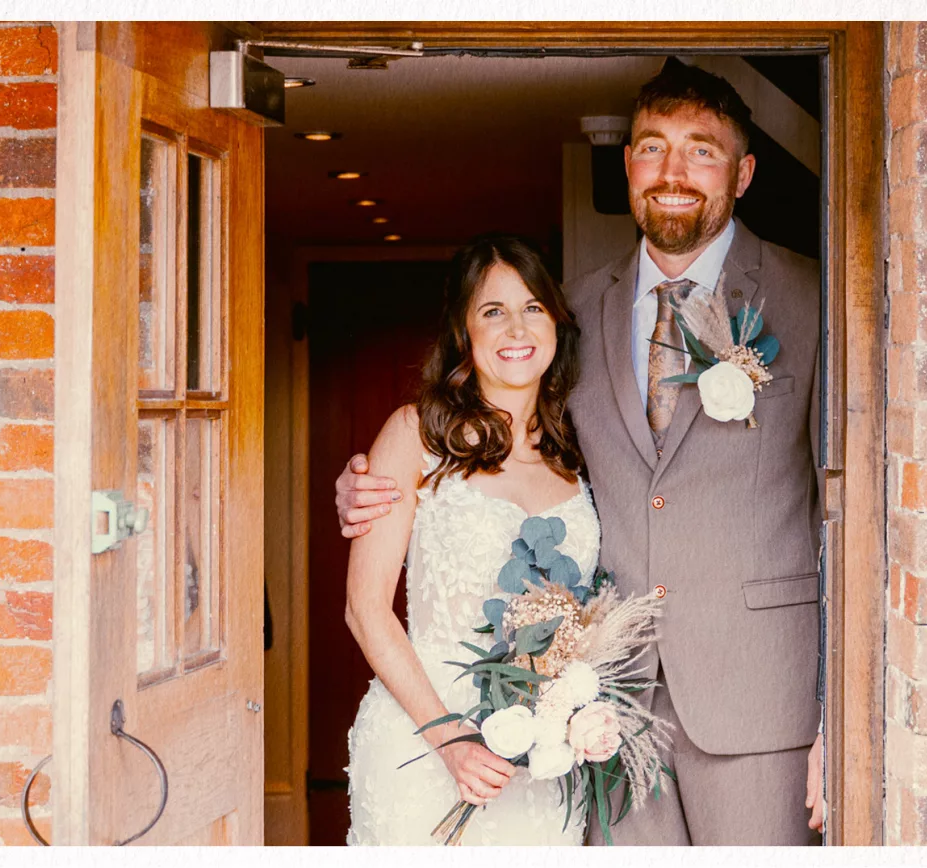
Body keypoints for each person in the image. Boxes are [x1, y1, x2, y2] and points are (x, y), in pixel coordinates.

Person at [337, 59, 825, 845]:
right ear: (625, 164)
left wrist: (837, 715)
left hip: (759, 700)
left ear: (744, 174)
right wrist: (369, 481)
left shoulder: (814, 297)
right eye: (651, 147)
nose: (673, 171)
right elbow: (489, 435)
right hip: (605, 717)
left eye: (701, 150)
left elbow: (855, 504)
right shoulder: (576, 314)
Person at [343, 234, 598, 844]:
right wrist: (451, 737)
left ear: (557, 325)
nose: (517, 327)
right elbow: (364, 607)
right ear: (464, 332)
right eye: (493, 311)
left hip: (544, 762)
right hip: (424, 746)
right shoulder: (415, 435)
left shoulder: (583, 446)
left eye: (533, 307)